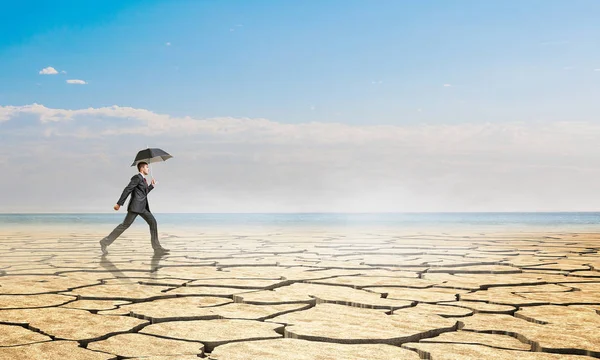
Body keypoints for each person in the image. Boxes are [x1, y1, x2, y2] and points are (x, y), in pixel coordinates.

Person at [100, 162, 170, 255]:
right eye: (147, 167)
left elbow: (143, 193)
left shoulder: (143, 180)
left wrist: (151, 186)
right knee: (124, 226)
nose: (148, 169)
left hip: (143, 207)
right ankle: (105, 242)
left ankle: (157, 248)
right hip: (135, 207)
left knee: (153, 222)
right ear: (142, 169)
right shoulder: (137, 178)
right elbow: (128, 189)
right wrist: (119, 203)